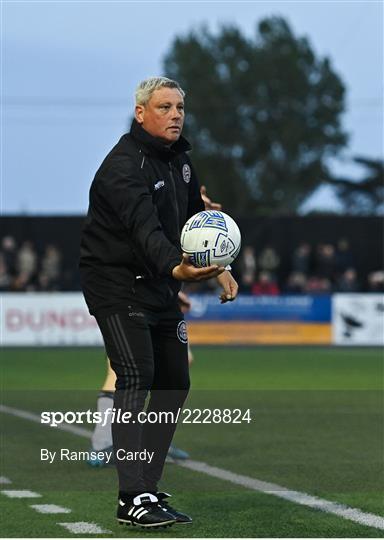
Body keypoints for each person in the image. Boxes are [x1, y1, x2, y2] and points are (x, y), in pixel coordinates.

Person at [79, 76, 238, 529]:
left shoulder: (180, 160)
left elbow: (192, 218)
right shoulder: (122, 167)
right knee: (136, 374)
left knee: (174, 381)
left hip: (158, 283)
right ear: (141, 113)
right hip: (115, 283)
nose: (175, 116)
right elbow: (145, 231)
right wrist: (178, 269)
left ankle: (145, 486)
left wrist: (218, 265)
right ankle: (132, 497)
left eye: (180, 108)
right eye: (164, 107)